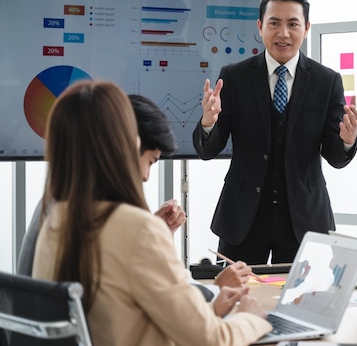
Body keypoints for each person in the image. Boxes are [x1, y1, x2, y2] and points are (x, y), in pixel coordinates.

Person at [32, 80, 271, 345]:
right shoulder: (136, 229)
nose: (146, 176)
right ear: (121, 145)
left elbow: (119, 316)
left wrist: (210, 307)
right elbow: (213, 340)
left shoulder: (55, 218)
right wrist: (253, 318)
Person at [18, 93, 251, 299]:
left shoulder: (62, 196)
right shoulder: (102, 212)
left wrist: (151, 233)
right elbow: (170, 300)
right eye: (150, 161)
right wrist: (218, 289)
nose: (146, 176)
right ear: (126, 145)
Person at [193, 0, 357, 265]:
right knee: (235, 301)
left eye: (293, 24)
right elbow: (209, 149)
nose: (283, 33)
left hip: (304, 221)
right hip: (243, 218)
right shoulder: (234, 76)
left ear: (306, 28)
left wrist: (346, 140)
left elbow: (335, 156)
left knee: (303, 304)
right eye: (274, 23)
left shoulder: (326, 81)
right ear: (260, 26)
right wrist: (208, 123)